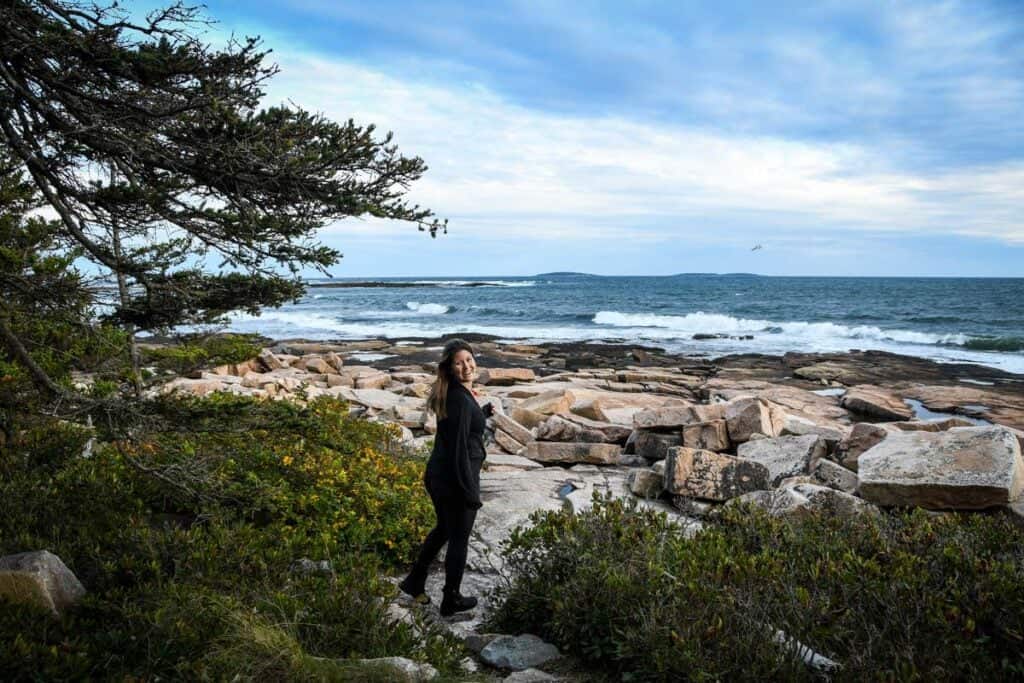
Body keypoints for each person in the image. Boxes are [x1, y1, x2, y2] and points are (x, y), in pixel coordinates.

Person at [399, 338, 491, 616]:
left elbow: (460, 428)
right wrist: (469, 491)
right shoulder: (459, 398)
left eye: (469, 359)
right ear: (449, 368)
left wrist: (481, 413)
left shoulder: (456, 394)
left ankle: (415, 581)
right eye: (459, 362)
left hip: (439, 475)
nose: (466, 366)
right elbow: (459, 450)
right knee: (459, 537)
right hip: (453, 478)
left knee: (444, 529)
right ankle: (451, 599)